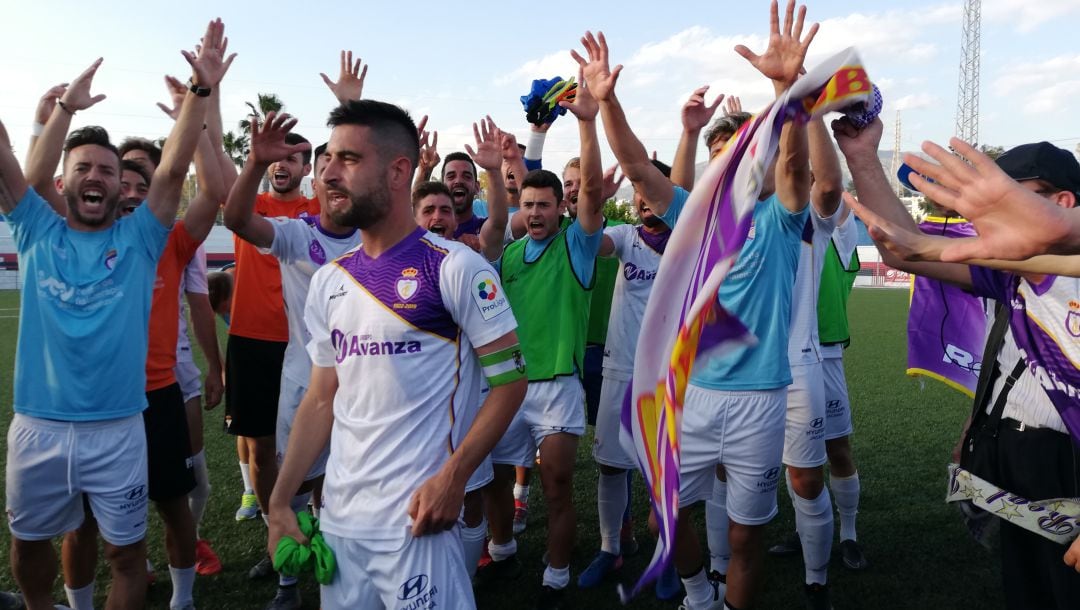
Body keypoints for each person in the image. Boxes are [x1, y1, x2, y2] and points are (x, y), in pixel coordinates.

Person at [4, 20, 232, 610]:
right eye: (85, 167)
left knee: (125, 556)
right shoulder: (33, 228)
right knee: (28, 546)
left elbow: (179, 171)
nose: (98, 177)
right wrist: (59, 116)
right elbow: (13, 165)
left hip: (120, 429)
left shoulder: (141, 241)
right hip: (39, 427)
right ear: (65, 179)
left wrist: (202, 97)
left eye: (108, 170)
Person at [266, 98, 526, 610]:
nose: (328, 175)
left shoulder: (457, 267)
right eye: (328, 162)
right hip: (340, 524)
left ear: (398, 171)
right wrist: (279, 500)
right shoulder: (329, 280)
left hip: (416, 522)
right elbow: (321, 399)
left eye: (348, 160)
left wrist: (454, 477)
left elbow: (512, 381)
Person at [838, 119, 1080, 608]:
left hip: (1069, 460)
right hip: (1013, 449)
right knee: (1028, 587)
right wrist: (863, 156)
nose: (987, 219)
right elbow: (908, 250)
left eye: (1011, 199)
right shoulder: (1011, 271)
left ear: (1062, 204)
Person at [477, 67, 605, 609]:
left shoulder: (576, 247)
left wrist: (587, 126)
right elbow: (512, 189)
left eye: (544, 205)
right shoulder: (506, 255)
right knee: (495, 481)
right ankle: (501, 549)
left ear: (561, 209)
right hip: (509, 386)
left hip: (557, 386)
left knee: (554, 483)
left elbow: (593, 191)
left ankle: (555, 571)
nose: (534, 212)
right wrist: (526, 145)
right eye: (527, 205)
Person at [577, 155, 683, 590]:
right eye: (637, 190)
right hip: (619, 369)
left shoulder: (687, 241)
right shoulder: (623, 237)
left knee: (666, 471)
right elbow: (588, 242)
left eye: (650, 188)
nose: (642, 197)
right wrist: (593, 201)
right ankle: (610, 550)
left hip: (669, 377)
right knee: (610, 466)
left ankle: (670, 557)